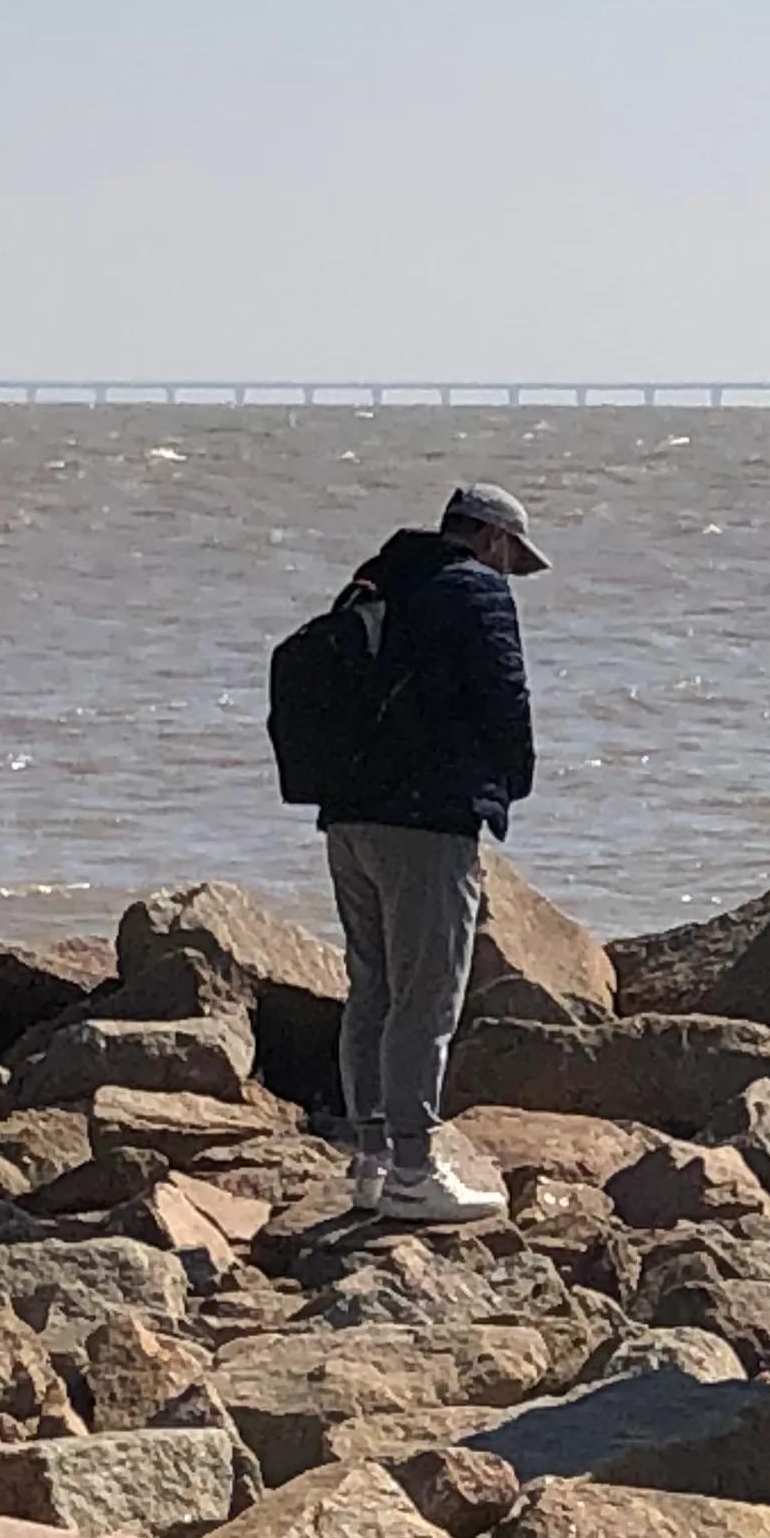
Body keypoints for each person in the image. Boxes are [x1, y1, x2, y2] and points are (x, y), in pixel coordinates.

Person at [319, 480, 543, 1225]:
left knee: (373, 985)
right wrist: (511, 783)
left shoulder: (377, 580)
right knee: (428, 996)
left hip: (347, 816)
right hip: (427, 823)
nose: (511, 573)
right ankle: (415, 1171)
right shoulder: (475, 590)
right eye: (513, 557)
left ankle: (372, 1162)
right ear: (491, 539)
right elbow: (506, 698)